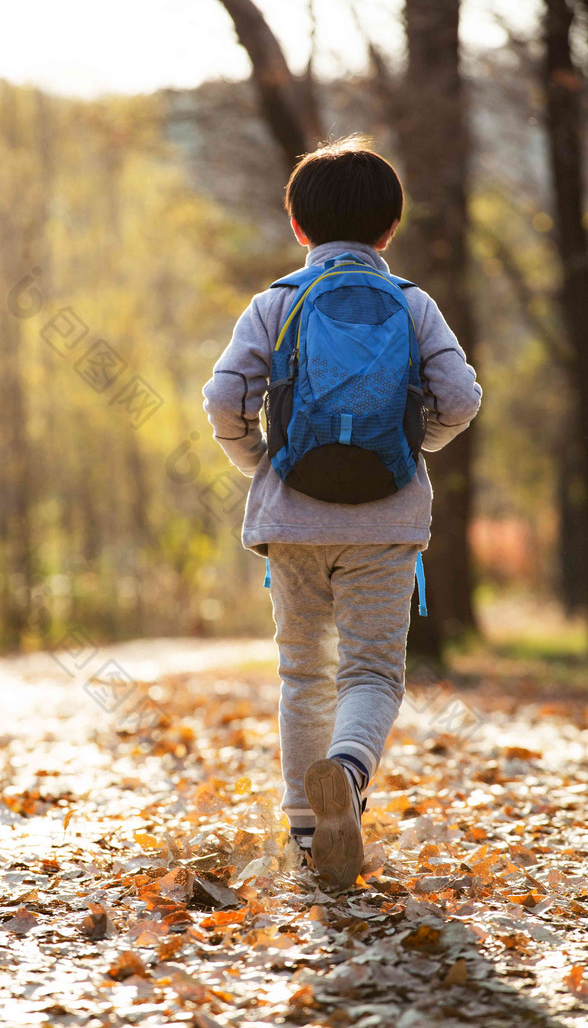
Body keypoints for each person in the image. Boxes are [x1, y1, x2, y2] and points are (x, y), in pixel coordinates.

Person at [201, 137, 482, 888]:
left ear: (299, 227)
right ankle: (349, 778)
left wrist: (258, 462)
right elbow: (459, 399)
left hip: (291, 519)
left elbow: (225, 399)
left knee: (303, 673)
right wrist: (412, 444)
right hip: (387, 523)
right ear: (389, 230)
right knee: (371, 673)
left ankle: (304, 837)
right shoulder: (414, 304)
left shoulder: (277, 303)